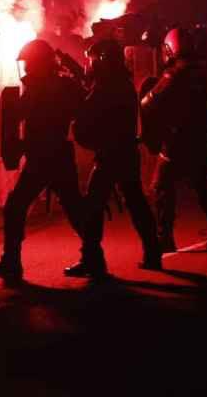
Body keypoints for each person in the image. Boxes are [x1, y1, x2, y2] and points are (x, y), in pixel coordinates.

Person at [0, 39, 90, 282]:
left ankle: (11, 262)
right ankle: (94, 257)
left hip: (44, 156)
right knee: (73, 207)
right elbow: (83, 103)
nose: (27, 69)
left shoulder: (42, 87)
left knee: (16, 206)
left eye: (30, 63)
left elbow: (28, 117)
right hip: (57, 155)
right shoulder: (63, 85)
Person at [73, 39, 162, 276]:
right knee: (136, 202)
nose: (90, 65)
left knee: (93, 206)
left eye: (93, 60)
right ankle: (153, 252)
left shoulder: (106, 87)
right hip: (126, 153)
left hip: (110, 154)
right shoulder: (121, 83)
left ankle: (91, 259)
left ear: (103, 60)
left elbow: (88, 111)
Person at [140, 27, 207, 252]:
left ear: (170, 49)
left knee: (161, 187)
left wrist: (146, 91)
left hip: (176, 139)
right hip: (198, 137)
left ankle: (165, 238)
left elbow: (150, 102)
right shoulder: (202, 73)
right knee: (204, 187)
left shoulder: (174, 74)